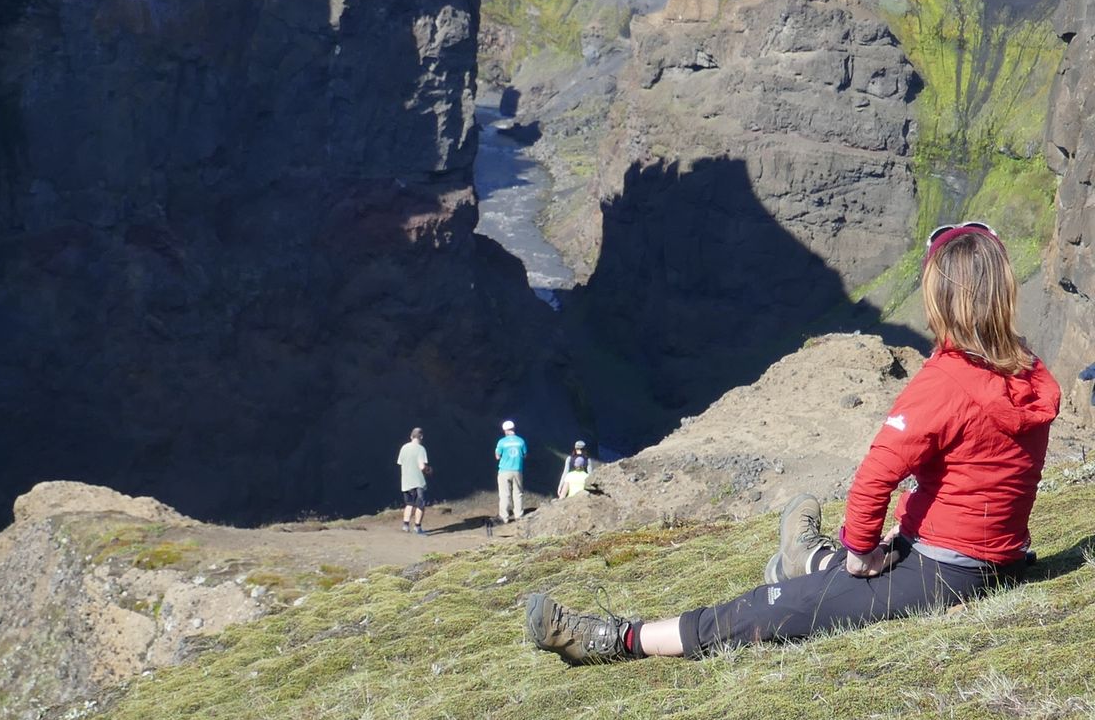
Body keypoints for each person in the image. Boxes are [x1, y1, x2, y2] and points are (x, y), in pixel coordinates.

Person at [526, 221, 1059, 664]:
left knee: (766, 609)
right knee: (834, 584)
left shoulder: (944, 383)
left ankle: (614, 640)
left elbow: (876, 474)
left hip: (943, 572)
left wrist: (860, 554)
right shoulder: (1032, 375)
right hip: (988, 558)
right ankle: (808, 556)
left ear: (940, 299)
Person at [397, 427, 432, 535]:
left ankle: (405, 525)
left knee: (409, 504)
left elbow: (401, 463)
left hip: (406, 481)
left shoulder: (404, 448)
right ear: (421, 437)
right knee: (420, 505)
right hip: (418, 482)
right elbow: (421, 466)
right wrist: (428, 470)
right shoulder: (421, 449)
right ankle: (417, 527)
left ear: (411, 436)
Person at [494, 419, 527, 523]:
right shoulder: (521, 441)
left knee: (504, 494)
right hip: (517, 469)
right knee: (518, 493)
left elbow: (497, 456)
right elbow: (525, 455)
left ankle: (504, 517)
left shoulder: (502, 442)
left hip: (504, 470)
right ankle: (519, 515)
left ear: (505, 430)